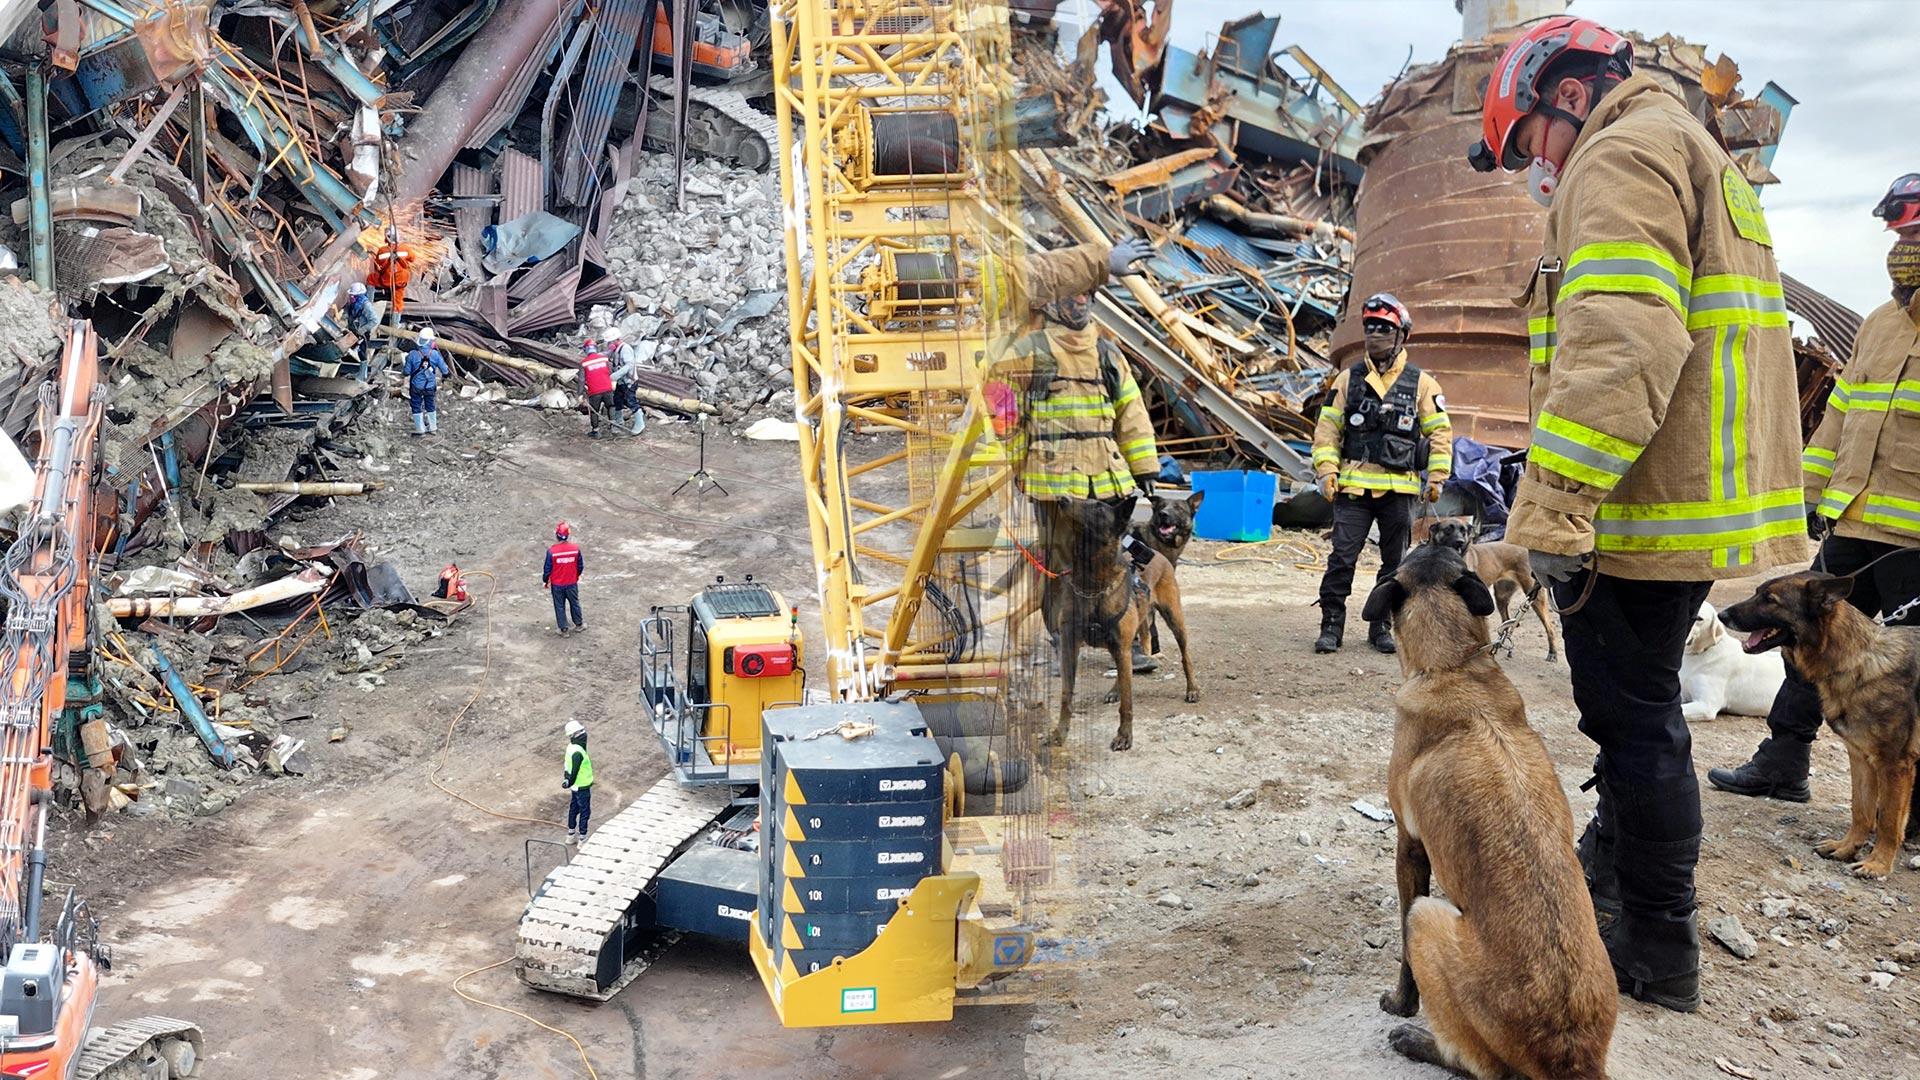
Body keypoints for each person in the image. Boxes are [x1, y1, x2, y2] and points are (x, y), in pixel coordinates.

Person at [1470, 15, 1805, 1012]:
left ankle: (1657, 944)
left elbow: (1619, 346)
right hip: (1676, 495)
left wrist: (1553, 512)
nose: (1536, 167)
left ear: (1570, 94)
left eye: (1531, 140)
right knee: (1639, 706)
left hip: (1636, 504)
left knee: (1633, 719)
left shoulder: (1620, 156)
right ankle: (1611, 875)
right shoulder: (1691, 147)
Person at [1709, 175, 1920, 802]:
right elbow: (1841, 411)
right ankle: (1783, 764)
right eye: (1900, 238)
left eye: (1914, 237)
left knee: (1913, 681)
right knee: (1801, 644)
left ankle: (1909, 811)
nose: (1903, 251)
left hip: (1914, 541)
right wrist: (1811, 488)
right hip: (1853, 522)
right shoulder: (1880, 323)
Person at [1004, 237, 1162, 672]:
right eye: (1071, 293)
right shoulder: (1028, 353)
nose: (1079, 302)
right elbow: (1005, 418)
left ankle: (1126, 641)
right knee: (1059, 567)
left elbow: (1130, 412)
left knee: (1117, 562)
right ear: (1051, 301)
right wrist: (1014, 467)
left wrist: (1145, 466)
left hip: (1105, 477)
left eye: (1086, 294)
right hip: (1053, 484)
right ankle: (1064, 643)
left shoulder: (1107, 353)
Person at [1309, 292, 1451, 655]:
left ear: (1402, 334)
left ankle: (1382, 625)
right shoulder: (1348, 380)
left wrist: (1436, 478)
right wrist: (1326, 471)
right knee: (1341, 559)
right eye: (1370, 327)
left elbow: (1440, 434)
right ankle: (1331, 624)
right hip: (1353, 488)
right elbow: (1327, 430)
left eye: (1384, 328)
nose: (1375, 334)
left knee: (1395, 565)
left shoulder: (1422, 384)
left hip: (1399, 491)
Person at [401, 329, 451, 437]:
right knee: (430, 404)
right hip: (430, 386)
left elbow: (406, 372)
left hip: (416, 386)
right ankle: (433, 428)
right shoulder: (435, 354)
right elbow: (445, 371)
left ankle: (420, 429)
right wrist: (445, 376)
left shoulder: (412, 354)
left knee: (416, 405)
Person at [543, 521, 585, 635]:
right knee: (574, 603)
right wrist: (575, 576)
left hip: (557, 585)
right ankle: (579, 624)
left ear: (557, 535)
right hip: (571, 583)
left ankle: (564, 629)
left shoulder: (552, 551)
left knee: (559, 605)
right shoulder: (575, 549)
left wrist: (545, 580)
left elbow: (547, 569)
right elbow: (580, 566)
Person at [368, 226, 415, 320]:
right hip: (400, 282)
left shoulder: (382, 250)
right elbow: (412, 259)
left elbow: (378, 264)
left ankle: (368, 305)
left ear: (387, 238)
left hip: (386, 280)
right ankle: (395, 324)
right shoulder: (405, 249)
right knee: (397, 302)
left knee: (370, 279)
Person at [606, 327, 645, 435]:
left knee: (631, 401)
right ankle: (619, 420)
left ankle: (640, 423)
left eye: (611, 342)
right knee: (617, 400)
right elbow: (607, 355)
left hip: (629, 382)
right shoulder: (616, 350)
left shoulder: (626, 349)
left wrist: (615, 375)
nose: (609, 344)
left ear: (617, 340)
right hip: (621, 382)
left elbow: (629, 366)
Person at [561, 719, 593, 846]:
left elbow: (566, 766)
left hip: (575, 787)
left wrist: (567, 780)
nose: (583, 734)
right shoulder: (578, 753)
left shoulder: (571, 748)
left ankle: (570, 835)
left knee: (573, 809)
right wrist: (570, 781)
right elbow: (574, 771)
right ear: (573, 735)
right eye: (580, 732)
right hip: (582, 786)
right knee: (585, 812)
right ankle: (582, 839)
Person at [580, 342, 615, 438]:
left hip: (594, 391)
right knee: (611, 406)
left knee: (594, 411)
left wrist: (580, 393)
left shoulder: (584, 363)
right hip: (607, 388)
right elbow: (610, 371)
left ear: (586, 350)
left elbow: (582, 380)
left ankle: (596, 431)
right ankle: (614, 427)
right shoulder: (604, 359)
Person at [344, 282, 378, 370]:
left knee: (362, 353)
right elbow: (347, 312)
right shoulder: (352, 303)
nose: (351, 297)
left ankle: (363, 372)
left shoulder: (366, 306)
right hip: (353, 331)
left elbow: (374, 320)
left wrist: (361, 330)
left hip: (362, 333)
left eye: (353, 295)